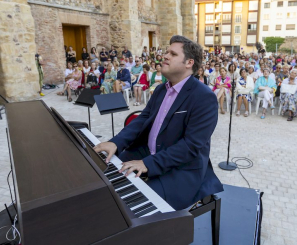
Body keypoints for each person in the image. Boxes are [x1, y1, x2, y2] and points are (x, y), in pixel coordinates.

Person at [93, 35, 223, 210]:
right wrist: (115, 142)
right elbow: (143, 119)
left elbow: (190, 146)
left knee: (129, 205)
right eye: (166, 52)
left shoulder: (204, 97)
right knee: (103, 176)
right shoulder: (162, 89)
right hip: (147, 153)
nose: (165, 56)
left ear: (189, 63)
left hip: (180, 169)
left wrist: (147, 164)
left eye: (173, 54)